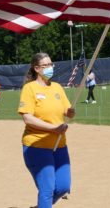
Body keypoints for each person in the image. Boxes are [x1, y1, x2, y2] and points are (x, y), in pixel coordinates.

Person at [18, 52, 75, 208]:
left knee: (63, 186)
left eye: (51, 64)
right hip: (36, 145)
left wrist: (70, 112)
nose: (50, 68)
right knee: (47, 189)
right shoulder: (30, 88)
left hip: (59, 144)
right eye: (46, 65)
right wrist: (53, 128)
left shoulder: (57, 87)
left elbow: (66, 110)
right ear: (37, 68)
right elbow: (27, 118)